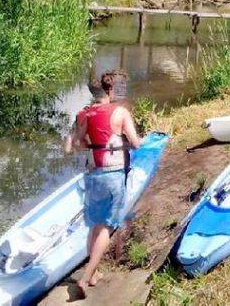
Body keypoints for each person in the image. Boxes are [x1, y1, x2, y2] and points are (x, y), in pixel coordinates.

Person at [64, 72, 142, 298]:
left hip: (93, 175)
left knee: (94, 225)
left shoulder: (84, 114)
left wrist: (93, 145)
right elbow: (135, 143)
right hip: (114, 175)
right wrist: (136, 142)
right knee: (107, 226)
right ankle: (86, 277)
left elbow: (78, 144)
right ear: (110, 91)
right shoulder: (120, 112)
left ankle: (95, 272)